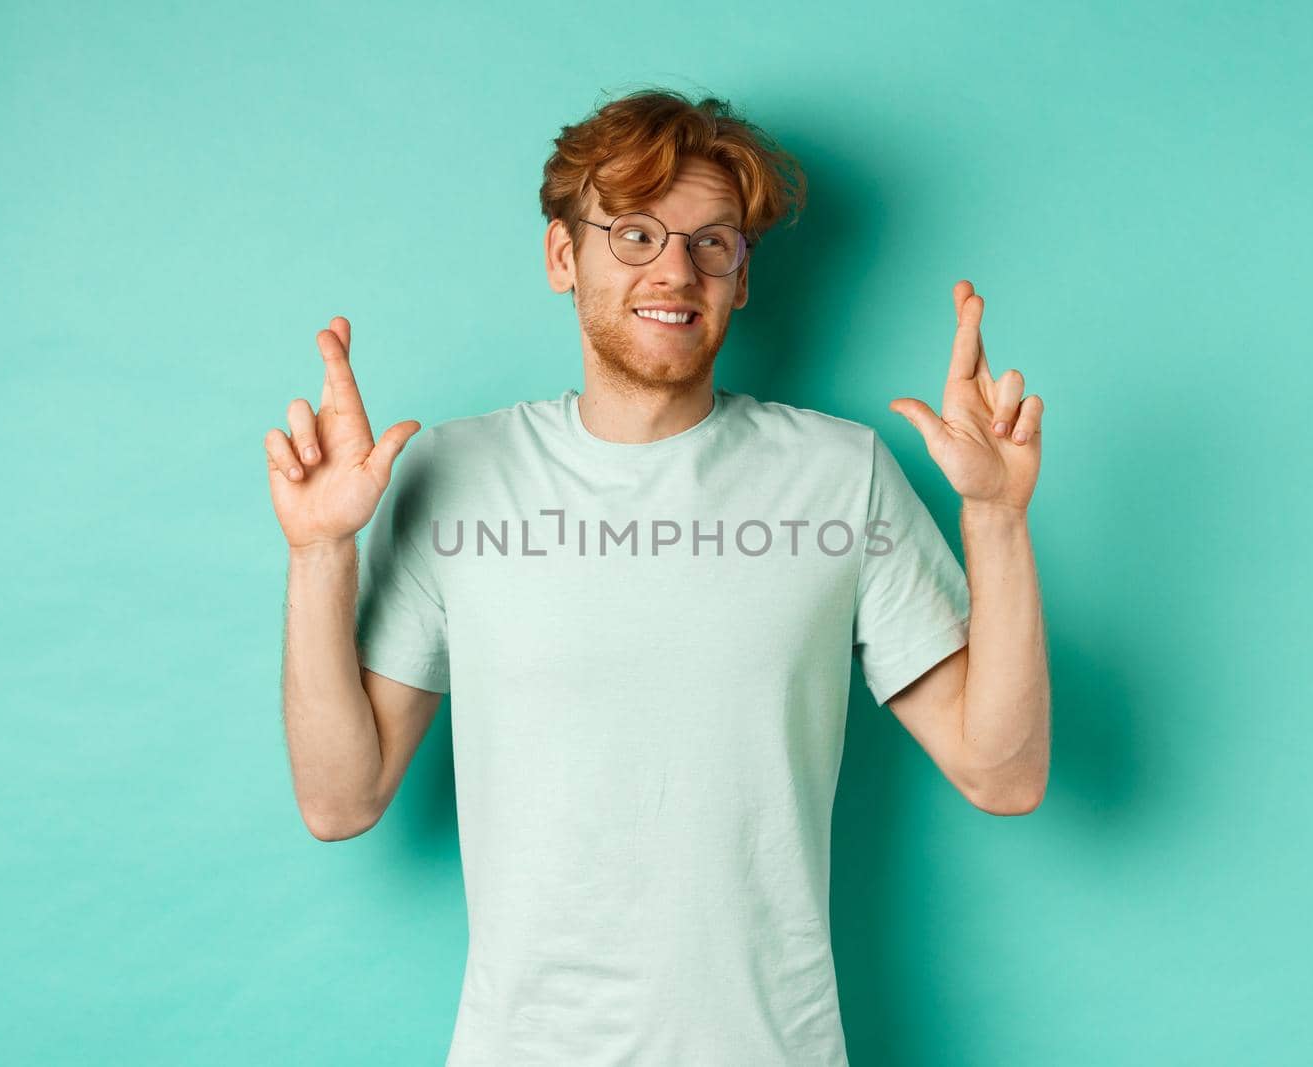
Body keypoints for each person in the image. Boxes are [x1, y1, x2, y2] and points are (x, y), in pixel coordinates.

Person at [268, 87, 1050, 1066]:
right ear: (564, 255)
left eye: (712, 241)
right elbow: (339, 800)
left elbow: (1004, 772)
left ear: (742, 275)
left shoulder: (839, 474)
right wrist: (317, 552)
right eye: (634, 233)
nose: (675, 269)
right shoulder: (456, 474)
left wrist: (995, 516)